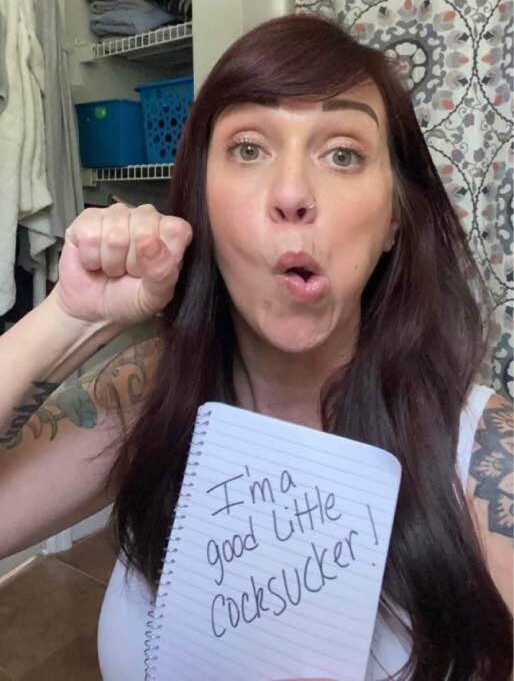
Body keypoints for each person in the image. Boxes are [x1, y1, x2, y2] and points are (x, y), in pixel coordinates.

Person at [0, 13, 511, 681]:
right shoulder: (149, 396)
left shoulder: (485, 454)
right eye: (248, 148)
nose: (292, 194)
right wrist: (69, 316)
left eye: (343, 154)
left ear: (393, 219)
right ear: (203, 205)